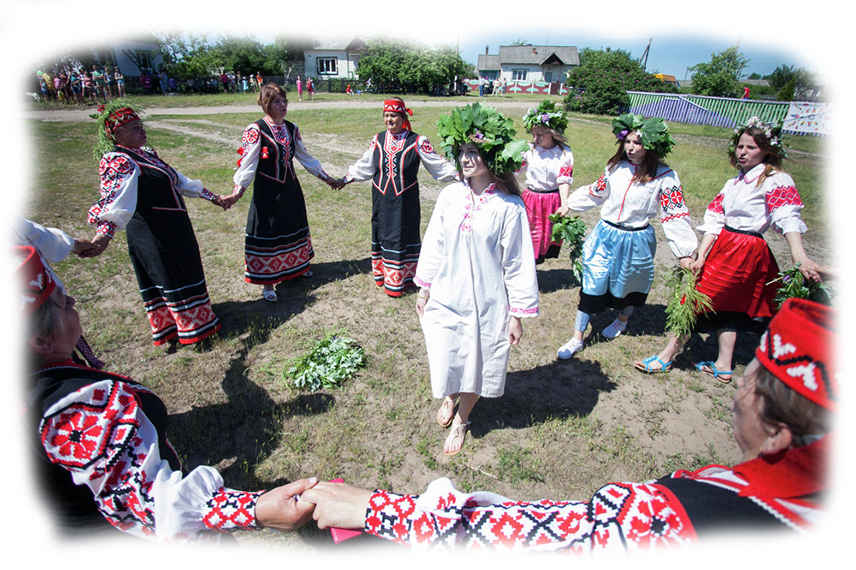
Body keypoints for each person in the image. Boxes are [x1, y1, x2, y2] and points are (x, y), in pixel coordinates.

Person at [302, 298, 855, 569]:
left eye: (751, 380)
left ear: (779, 435)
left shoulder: (679, 527)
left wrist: (374, 509)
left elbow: (536, 539)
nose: (738, 388)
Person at [0, 246, 320, 569]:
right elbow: (155, 502)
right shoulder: (72, 413)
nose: (72, 302)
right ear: (40, 341)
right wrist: (257, 509)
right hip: (139, 552)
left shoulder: (18, 392)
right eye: (60, 301)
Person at [635, 116, 820, 380]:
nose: (742, 153)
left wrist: (799, 256)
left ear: (767, 150)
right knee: (728, 305)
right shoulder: (735, 182)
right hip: (725, 245)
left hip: (745, 249)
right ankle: (723, 365)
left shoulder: (775, 179)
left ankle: (666, 357)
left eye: (751, 148)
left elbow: (787, 216)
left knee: (695, 300)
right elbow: (715, 218)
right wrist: (701, 252)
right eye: (740, 146)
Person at [414, 103, 538, 456]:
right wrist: (424, 288)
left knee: (479, 359)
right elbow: (435, 242)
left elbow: (517, 262)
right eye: (463, 151)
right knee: (449, 351)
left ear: (492, 157)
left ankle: (462, 418)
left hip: (487, 300)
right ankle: (450, 395)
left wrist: (516, 314)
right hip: (448, 292)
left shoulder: (509, 207)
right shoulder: (451, 195)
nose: (465, 159)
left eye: (474, 152)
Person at [87, 103, 230, 346]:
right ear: (116, 134)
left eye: (142, 127)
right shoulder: (119, 160)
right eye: (135, 128)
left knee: (182, 271)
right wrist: (104, 234)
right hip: (153, 231)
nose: (142, 132)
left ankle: (190, 320)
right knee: (168, 273)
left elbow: (178, 180)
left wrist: (213, 197)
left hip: (174, 229)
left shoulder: (144, 154)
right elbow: (114, 199)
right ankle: (188, 327)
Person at [556, 114, 697, 359]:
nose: (630, 148)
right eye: (627, 142)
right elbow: (597, 192)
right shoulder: (615, 168)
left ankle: (622, 320)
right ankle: (577, 337)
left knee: (629, 283)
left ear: (650, 146)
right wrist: (569, 204)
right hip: (606, 234)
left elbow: (674, 213)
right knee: (592, 281)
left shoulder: (665, 175)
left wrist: (685, 251)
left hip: (637, 239)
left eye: (637, 143)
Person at [222, 84, 339, 302]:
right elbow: (247, 164)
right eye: (277, 101)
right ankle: (268, 283)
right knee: (269, 231)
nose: (283, 105)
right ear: (266, 104)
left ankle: (298, 266)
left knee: (293, 224)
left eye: (284, 100)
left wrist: (326, 178)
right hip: (267, 192)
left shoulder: (292, 128)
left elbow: (304, 156)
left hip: (290, 189)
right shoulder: (255, 130)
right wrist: (237, 192)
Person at [0, 130, 102, 366]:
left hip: (45, 322)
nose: (11, 165)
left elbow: (34, 234)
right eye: (2, 158)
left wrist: (75, 246)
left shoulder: (3, 211)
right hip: (23, 337)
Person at [338, 98, 457, 297]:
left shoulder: (418, 141)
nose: (389, 119)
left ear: (403, 117)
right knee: (383, 232)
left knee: (403, 232)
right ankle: (384, 274)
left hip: (405, 200)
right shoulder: (378, 139)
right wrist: (346, 178)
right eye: (386, 115)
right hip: (382, 198)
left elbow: (438, 165)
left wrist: (462, 174)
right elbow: (366, 164)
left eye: (393, 115)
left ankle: (404, 278)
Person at [520, 100, 575, 264]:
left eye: (540, 134)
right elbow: (515, 170)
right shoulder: (529, 150)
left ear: (552, 133)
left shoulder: (564, 153)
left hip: (550, 200)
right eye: (533, 134)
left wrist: (564, 204)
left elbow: (564, 180)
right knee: (528, 234)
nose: (536, 138)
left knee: (544, 236)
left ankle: (536, 266)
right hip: (531, 198)